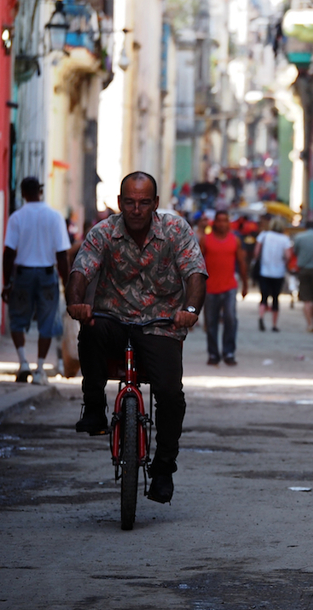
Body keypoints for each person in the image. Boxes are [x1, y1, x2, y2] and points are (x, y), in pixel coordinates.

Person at [66, 172, 207, 504]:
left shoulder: (175, 230)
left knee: (170, 395)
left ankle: (163, 468)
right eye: (129, 202)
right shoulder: (103, 232)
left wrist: (189, 308)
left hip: (160, 325)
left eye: (144, 202)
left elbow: (196, 274)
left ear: (155, 204)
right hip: (113, 318)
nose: (136, 209)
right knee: (91, 329)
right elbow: (80, 271)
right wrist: (76, 302)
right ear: (119, 203)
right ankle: (95, 407)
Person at [1, 177, 71, 385]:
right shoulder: (55, 217)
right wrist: (67, 284)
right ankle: (40, 369)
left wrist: (7, 283)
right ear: (40, 191)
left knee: (17, 319)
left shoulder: (17, 217)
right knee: (46, 321)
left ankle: (23, 362)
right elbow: (62, 255)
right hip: (47, 274)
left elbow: (9, 253)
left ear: (22, 193)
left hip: (23, 275)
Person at [199, 210, 248, 366]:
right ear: (215, 222)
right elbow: (198, 264)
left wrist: (245, 284)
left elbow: (241, 263)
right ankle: (213, 354)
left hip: (229, 287)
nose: (221, 224)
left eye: (224, 220)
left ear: (228, 223)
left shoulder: (235, 241)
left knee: (231, 319)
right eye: (219, 221)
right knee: (211, 322)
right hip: (210, 288)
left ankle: (229, 352)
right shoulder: (205, 241)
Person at [253, 216, 291, 332]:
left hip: (264, 271)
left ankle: (261, 316)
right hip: (278, 273)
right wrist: (283, 262)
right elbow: (288, 256)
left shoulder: (263, 236)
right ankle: (274, 325)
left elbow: (256, 252)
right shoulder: (285, 239)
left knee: (264, 296)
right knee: (275, 298)